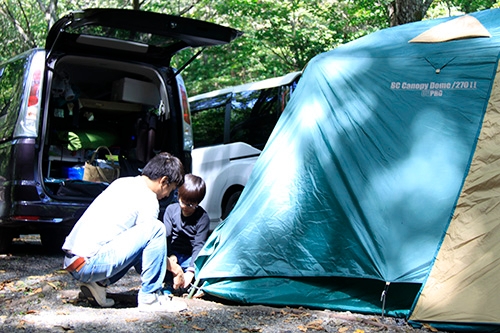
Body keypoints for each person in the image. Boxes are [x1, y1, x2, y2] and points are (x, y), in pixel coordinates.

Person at [62, 152, 187, 312]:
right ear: (163, 181)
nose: (168, 194)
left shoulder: (123, 182)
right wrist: (175, 269)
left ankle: (99, 284)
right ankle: (150, 298)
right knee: (156, 229)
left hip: (74, 261)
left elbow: (140, 250)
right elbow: (151, 245)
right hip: (88, 263)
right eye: (171, 188)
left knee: (144, 239)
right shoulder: (149, 199)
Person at [163, 174, 210, 293]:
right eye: (182, 202)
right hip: (173, 253)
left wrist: (191, 270)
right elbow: (166, 236)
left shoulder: (202, 218)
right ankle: (168, 284)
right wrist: (170, 254)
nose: (185, 207)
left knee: (200, 268)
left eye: (190, 205)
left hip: (189, 256)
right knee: (162, 263)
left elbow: (199, 245)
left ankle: (187, 285)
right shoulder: (171, 210)